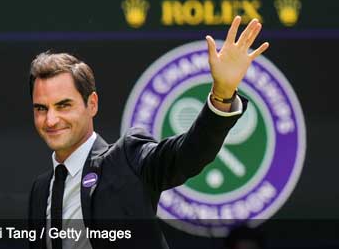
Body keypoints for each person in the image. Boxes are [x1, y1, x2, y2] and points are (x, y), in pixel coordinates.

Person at [28, 16, 269, 249]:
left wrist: (222, 94)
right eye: (41, 108)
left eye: (63, 105)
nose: (51, 119)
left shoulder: (127, 158)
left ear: (92, 104)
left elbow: (188, 154)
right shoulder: (40, 190)